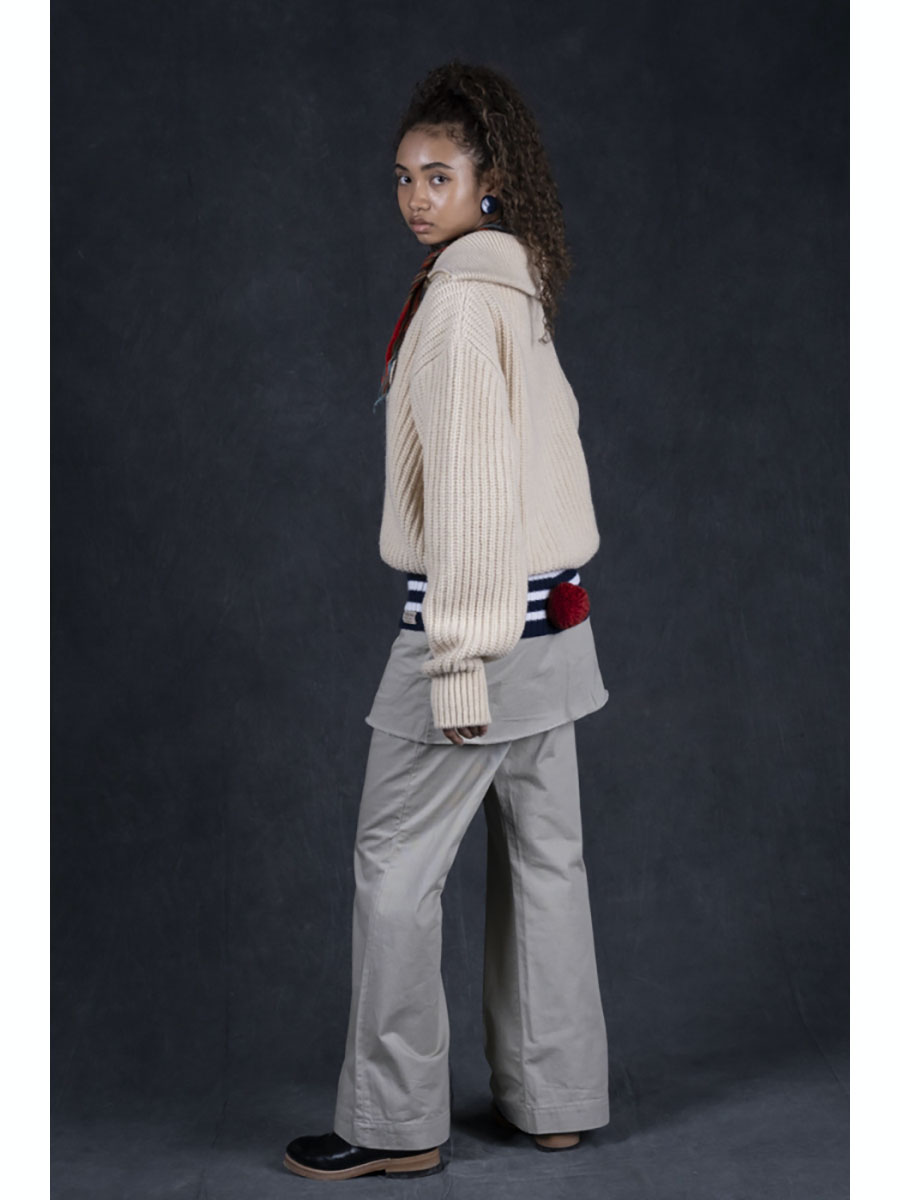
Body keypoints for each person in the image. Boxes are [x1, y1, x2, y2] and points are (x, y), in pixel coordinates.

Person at [283, 59, 612, 1181]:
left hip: (479, 634)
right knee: (546, 864)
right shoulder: (518, 286)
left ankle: (393, 1125)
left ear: (490, 180)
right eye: (402, 177)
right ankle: (556, 1102)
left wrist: (459, 659)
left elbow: (474, 494)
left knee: (393, 866)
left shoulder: (463, 302)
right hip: (556, 628)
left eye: (439, 175)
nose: (416, 197)